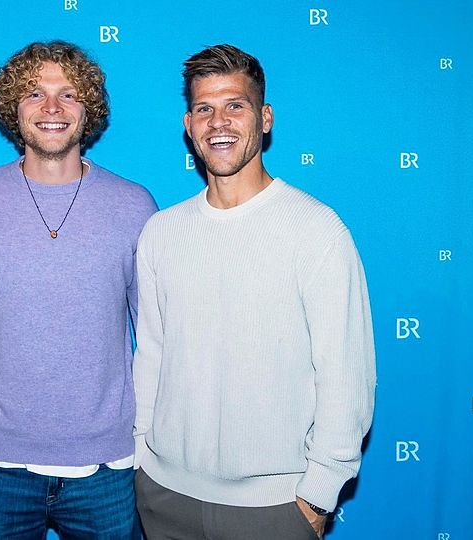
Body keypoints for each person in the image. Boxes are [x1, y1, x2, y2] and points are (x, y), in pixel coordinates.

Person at [133, 44, 376, 540]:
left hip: (276, 508)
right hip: (163, 494)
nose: (218, 121)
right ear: (188, 123)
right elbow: (151, 356)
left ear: (264, 118)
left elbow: (346, 376)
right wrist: (141, 455)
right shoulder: (160, 231)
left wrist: (318, 494)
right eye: (204, 108)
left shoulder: (317, 230)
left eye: (234, 105)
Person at [0, 41, 157, 539]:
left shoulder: (133, 206)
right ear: (13, 109)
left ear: (89, 109)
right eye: (36, 93)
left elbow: (157, 334)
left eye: (68, 94)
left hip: (108, 467)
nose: (53, 108)